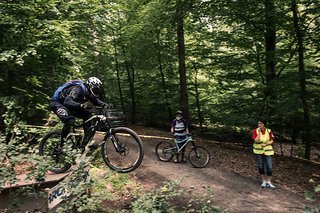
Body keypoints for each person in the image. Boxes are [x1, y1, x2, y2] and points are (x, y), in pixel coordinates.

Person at [50, 77, 110, 148]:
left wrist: (105, 105)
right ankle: (62, 145)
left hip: (68, 105)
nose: (96, 91)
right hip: (57, 103)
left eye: (97, 90)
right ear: (89, 86)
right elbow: (67, 101)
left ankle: (85, 143)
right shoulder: (78, 89)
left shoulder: (89, 93)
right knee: (70, 120)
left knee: (88, 116)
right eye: (95, 89)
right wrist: (81, 105)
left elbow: (96, 101)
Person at [252, 117, 276, 189]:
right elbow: (257, 141)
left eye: (261, 123)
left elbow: (272, 140)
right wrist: (259, 132)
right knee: (260, 166)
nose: (259, 124)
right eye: (258, 123)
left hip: (267, 152)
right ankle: (264, 180)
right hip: (258, 151)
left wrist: (266, 144)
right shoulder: (255, 131)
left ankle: (269, 181)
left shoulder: (269, 131)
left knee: (269, 167)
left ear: (264, 124)